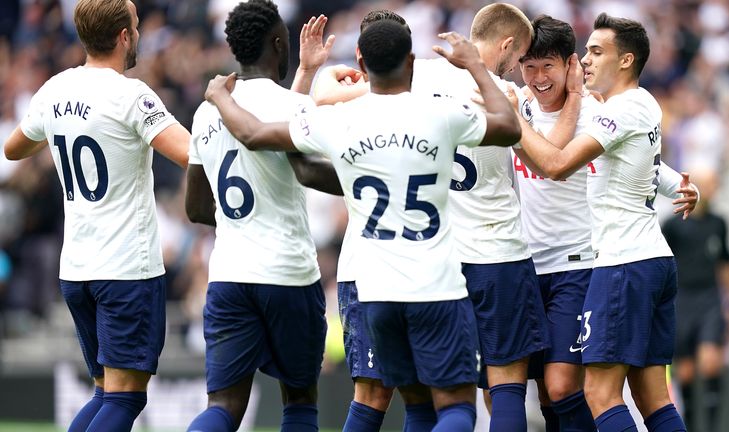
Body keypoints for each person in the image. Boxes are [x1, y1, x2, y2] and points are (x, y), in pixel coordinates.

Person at [205, 19, 523, 431]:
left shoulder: (340, 120)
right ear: (411, 61)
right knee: (457, 409)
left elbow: (252, 133)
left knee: (417, 408)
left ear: (361, 63)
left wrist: (218, 97)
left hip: (376, 292)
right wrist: (475, 65)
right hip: (436, 286)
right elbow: (509, 126)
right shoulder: (442, 113)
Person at [312, 5, 579, 431]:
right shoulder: (502, 96)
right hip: (498, 254)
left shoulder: (418, 78)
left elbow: (323, 98)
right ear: (507, 46)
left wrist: (328, 71)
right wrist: (577, 98)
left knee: (427, 398)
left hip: (441, 265)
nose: (517, 69)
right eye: (519, 58)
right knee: (505, 385)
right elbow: (550, 158)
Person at [3, 0, 190, 431]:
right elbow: (189, 153)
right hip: (125, 268)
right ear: (124, 36)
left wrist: (55, 131)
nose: (139, 34)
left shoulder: (55, 90)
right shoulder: (131, 95)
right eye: (137, 27)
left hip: (77, 270)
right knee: (125, 400)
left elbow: (14, 147)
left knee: (107, 393)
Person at [515, 15, 699, 432]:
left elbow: (557, 164)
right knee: (653, 398)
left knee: (599, 394)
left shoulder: (620, 108)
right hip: (651, 259)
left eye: (597, 51)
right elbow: (639, 159)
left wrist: (513, 123)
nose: (586, 59)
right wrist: (682, 187)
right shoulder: (637, 104)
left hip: (622, 264)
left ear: (626, 60)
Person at [184, 1, 340, 431]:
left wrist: (244, 223)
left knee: (223, 407)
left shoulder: (206, 111)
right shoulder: (289, 105)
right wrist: (368, 173)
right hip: (287, 273)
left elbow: (196, 209)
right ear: (277, 42)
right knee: (300, 401)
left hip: (229, 276)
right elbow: (307, 167)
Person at [662, 167, 729, 432]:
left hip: (710, 298)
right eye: (710, 183)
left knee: (711, 362)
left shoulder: (719, 223)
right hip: (682, 299)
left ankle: (713, 426)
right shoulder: (673, 225)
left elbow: (726, 263)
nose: (714, 189)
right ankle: (691, 426)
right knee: (688, 371)